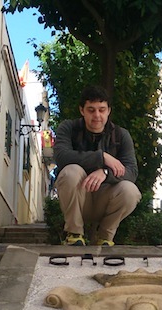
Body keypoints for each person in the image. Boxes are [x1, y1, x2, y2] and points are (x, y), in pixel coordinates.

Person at [53, 85, 141, 246]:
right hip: (78, 197)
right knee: (71, 171)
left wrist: (105, 172)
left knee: (131, 190)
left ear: (108, 111)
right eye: (91, 110)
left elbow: (131, 172)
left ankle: (105, 238)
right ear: (82, 110)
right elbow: (61, 157)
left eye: (101, 109)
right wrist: (102, 157)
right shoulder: (68, 128)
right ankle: (74, 234)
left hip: (106, 199)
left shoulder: (121, 135)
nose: (97, 115)